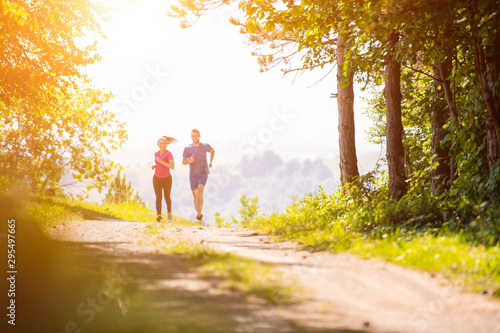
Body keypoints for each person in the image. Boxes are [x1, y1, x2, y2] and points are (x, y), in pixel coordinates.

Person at [182, 129, 215, 222]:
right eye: (193, 136)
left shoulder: (205, 146)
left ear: (199, 136)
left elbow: (212, 151)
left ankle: (199, 215)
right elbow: (183, 161)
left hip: (203, 173)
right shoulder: (187, 148)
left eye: (196, 136)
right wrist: (189, 161)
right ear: (191, 136)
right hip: (193, 175)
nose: (194, 137)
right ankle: (198, 214)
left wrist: (211, 161)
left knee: (200, 192)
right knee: (195, 196)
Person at [152, 136, 176, 222]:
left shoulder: (169, 154)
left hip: (167, 179)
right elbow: (159, 164)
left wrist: (161, 161)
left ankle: (169, 214)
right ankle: (159, 215)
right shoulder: (156, 154)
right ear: (158, 144)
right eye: (160, 143)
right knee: (158, 197)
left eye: (164, 143)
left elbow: (172, 166)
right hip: (156, 178)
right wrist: (155, 165)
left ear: (166, 144)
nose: (162, 145)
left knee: (167, 197)